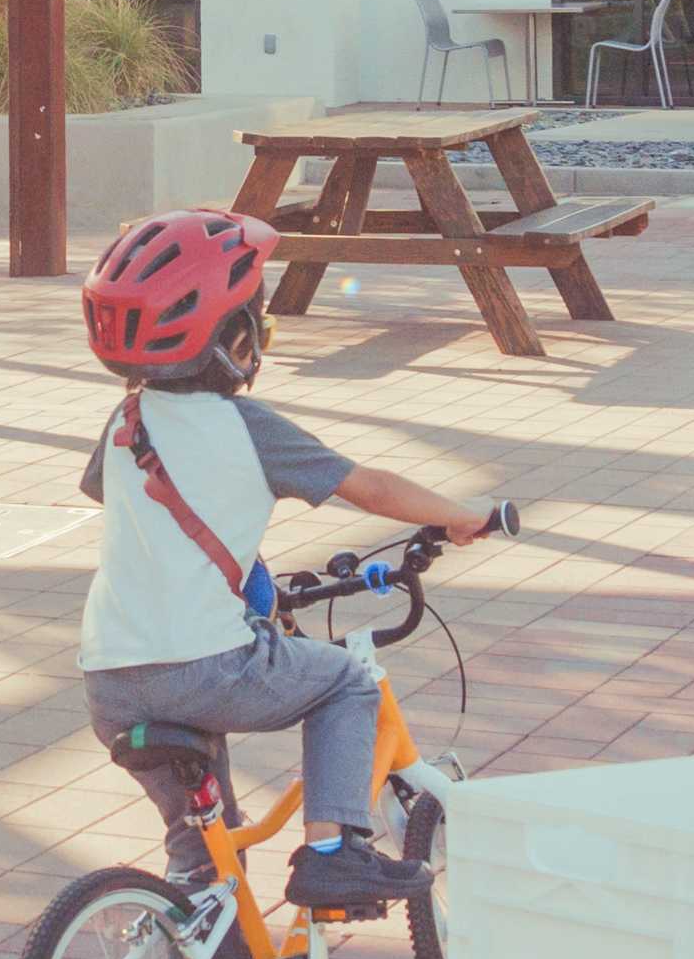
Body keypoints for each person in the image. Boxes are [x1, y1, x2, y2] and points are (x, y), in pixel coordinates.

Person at [68, 208, 518, 912]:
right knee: (346, 683)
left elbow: (125, 501)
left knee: (207, 849)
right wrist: (459, 516)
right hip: (205, 668)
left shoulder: (125, 421)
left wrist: (241, 575)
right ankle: (334, 853)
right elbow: (368, 487)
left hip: (111, 679)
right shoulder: (250, 429)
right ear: (233, 337)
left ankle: (205, 949)